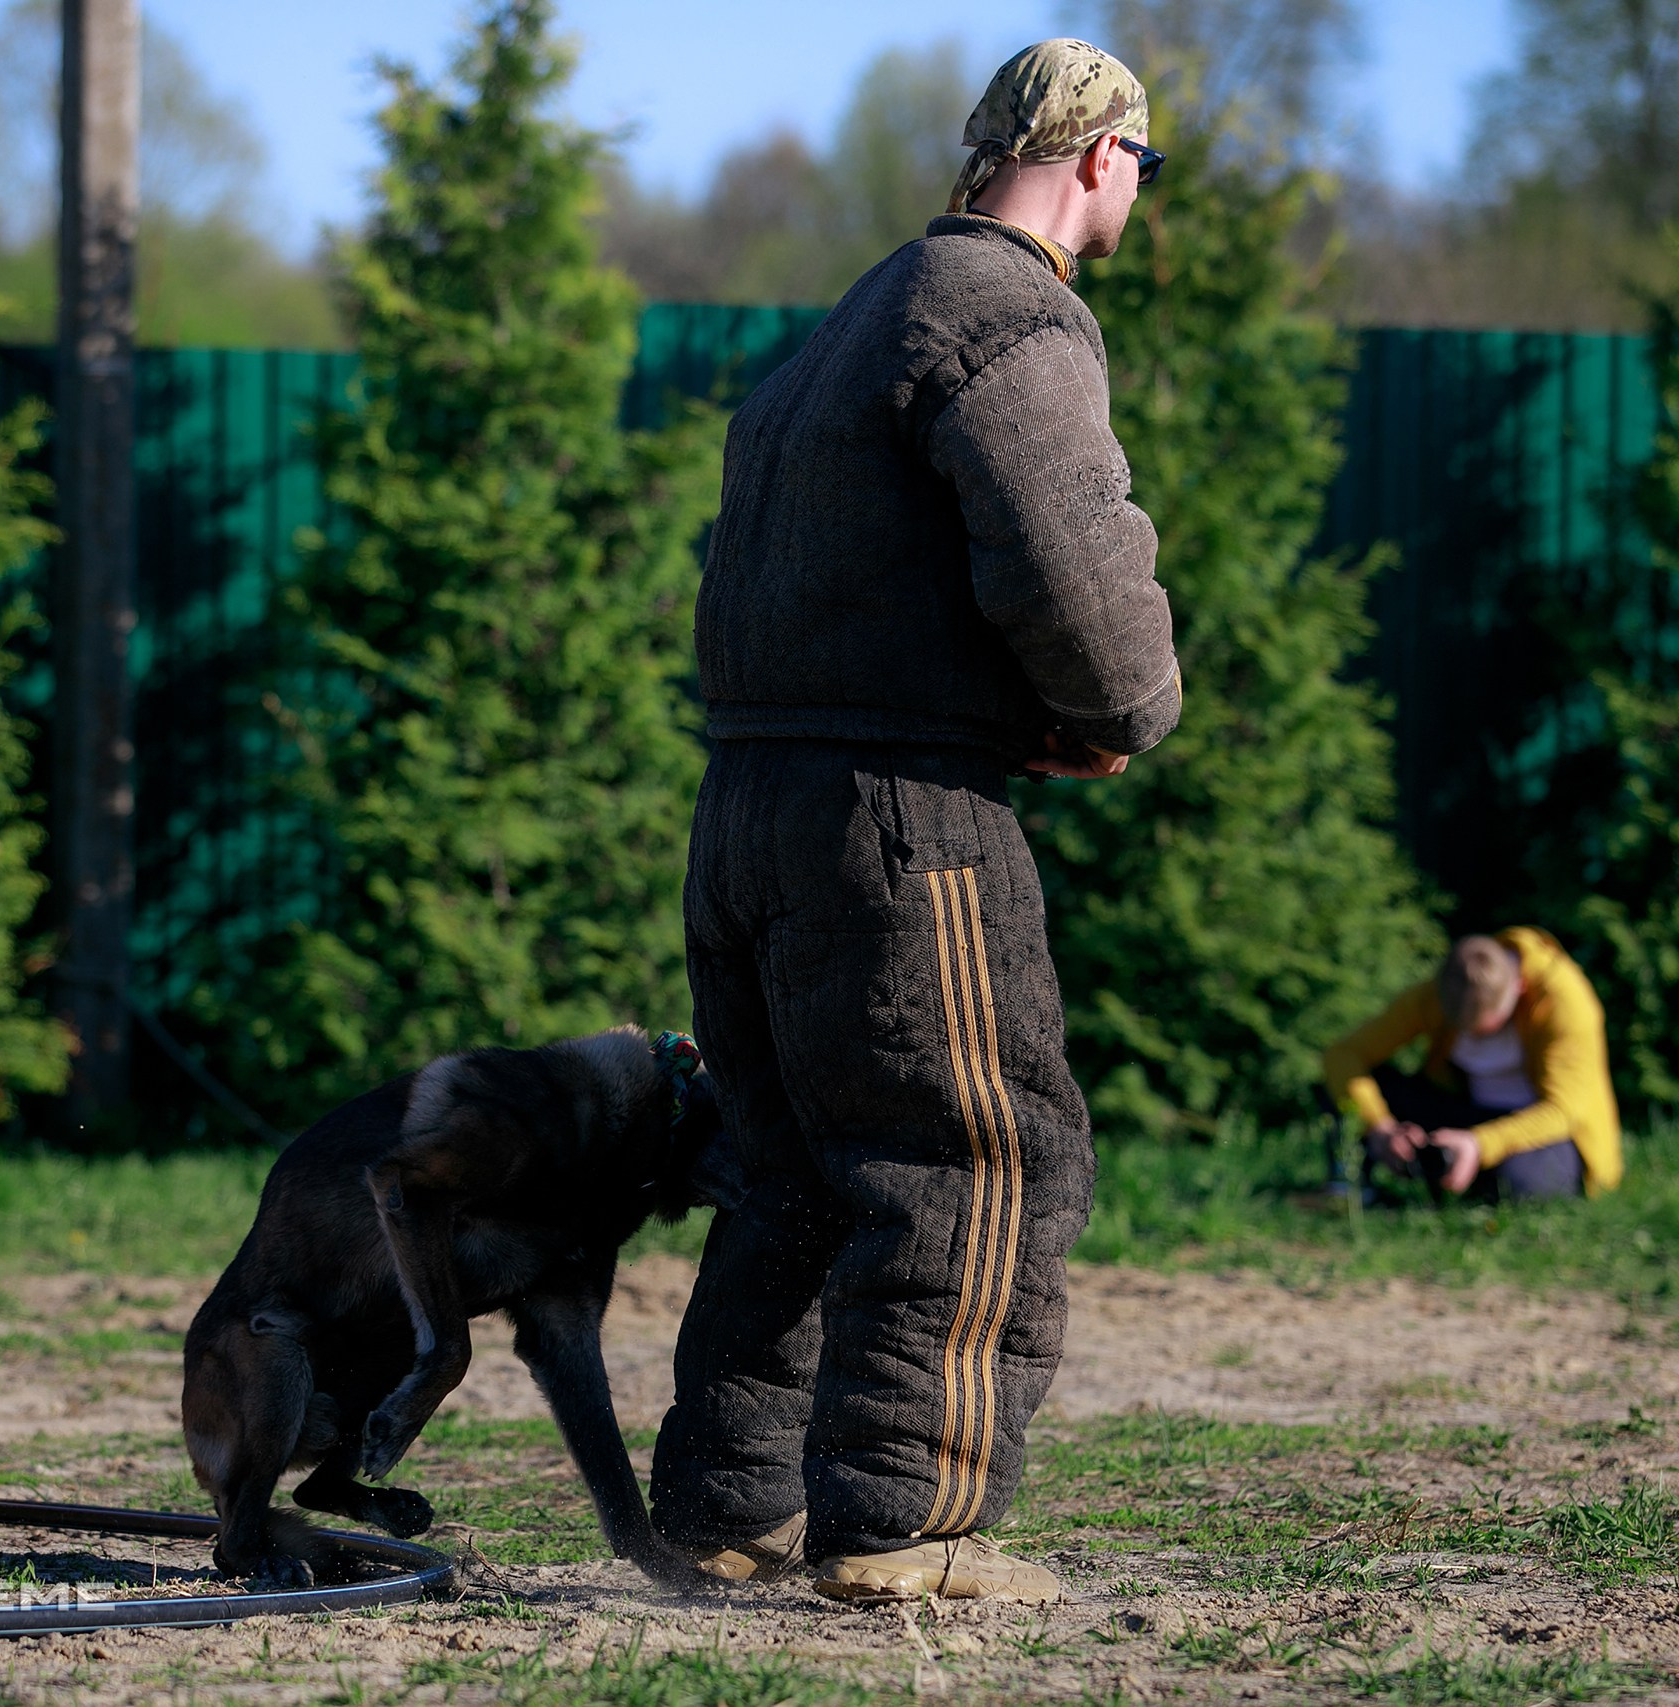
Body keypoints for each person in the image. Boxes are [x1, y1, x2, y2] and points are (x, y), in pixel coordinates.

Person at [647, 41, 1180, 1606]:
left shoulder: (852, 321)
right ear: (1103, 161)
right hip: (899, 824)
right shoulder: (1011, 313)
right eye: (1142, 171)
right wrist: (1119, 709)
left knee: (796, 1167)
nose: (1138, 197)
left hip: (749, 800)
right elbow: (1067, 553)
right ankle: (905, 1526)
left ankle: (726, 1505)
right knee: (978, 1156)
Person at [1321, 928, 1623, 1203]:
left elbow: (1563, 1109)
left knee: (1520, 1183)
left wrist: (1480, 1144)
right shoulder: (1440, 994)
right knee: (1352, 1086)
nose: (1471, 1037)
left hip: (1543, 1131)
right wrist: (1381, 1127)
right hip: (1466, 1113)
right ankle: (1353, 1189)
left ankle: (1458, 1184)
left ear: (1518, 987)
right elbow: (1343, 1055)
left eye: (1484, 1030)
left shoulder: (1564, 1001)